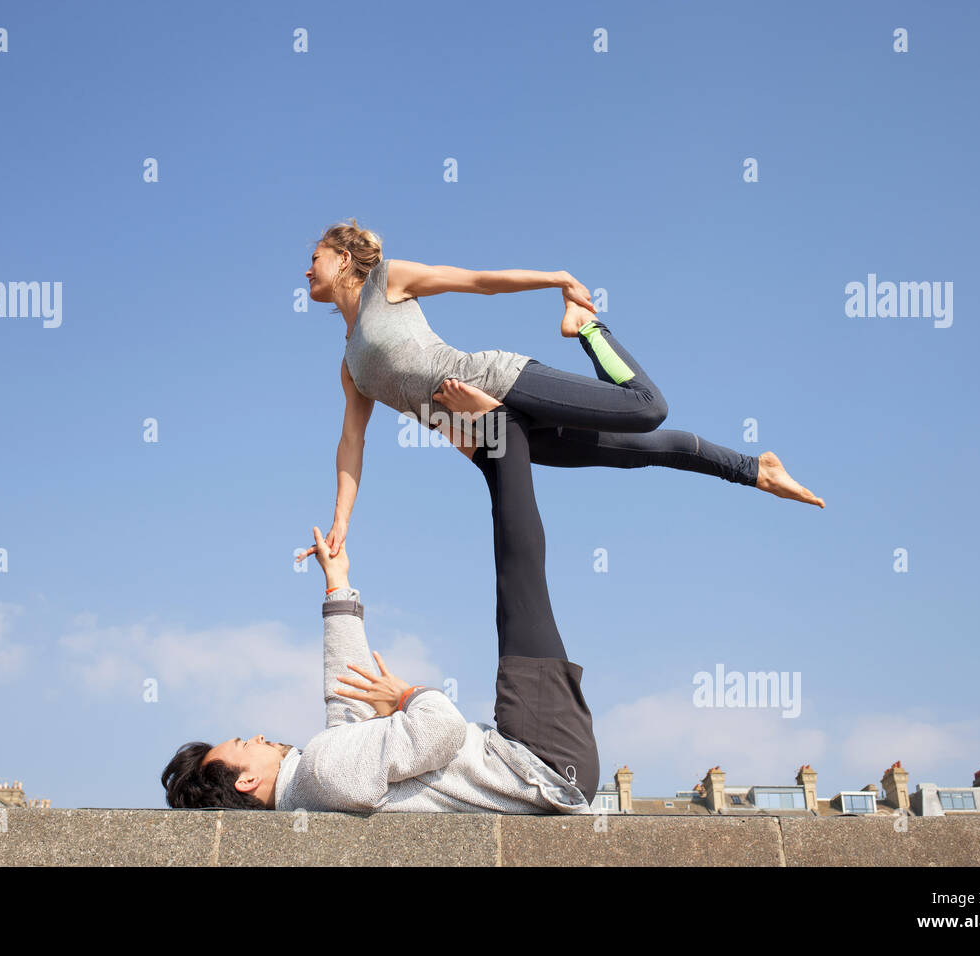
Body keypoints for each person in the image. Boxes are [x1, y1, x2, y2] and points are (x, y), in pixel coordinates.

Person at [160, 405, 600, 813]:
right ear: (247, 781)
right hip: (537, 761)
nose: (256, 736)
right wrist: (407, 696)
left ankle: (498, 454)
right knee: (519, 582)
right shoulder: (321, 770)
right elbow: (440, 731)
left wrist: (337, 585)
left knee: (515, 587)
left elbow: (348, 699)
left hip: (540, 767)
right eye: (242, 743)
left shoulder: (316, 783)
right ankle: (505, 430)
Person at [303, 218, 824, 562]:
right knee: (641, 452)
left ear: (345, 259)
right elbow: (352, 444)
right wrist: (340, 521)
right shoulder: (350, 364)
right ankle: (756, 469)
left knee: (648, 410)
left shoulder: (387, 282)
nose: (308, 268)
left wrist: (557, 279)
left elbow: (478, 280)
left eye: (317, 256)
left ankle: (588, 330)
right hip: (490, 432)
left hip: (497, 379)